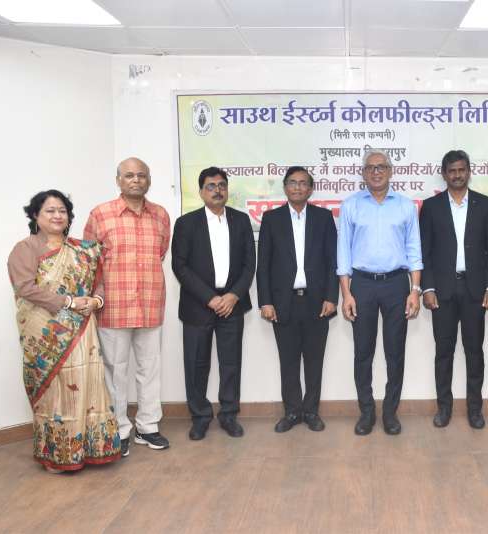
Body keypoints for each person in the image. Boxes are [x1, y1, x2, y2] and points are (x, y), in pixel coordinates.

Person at [8, 190, 120, 472]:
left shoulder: (84, 250)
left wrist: (96, 301)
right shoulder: (26, 248)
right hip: (45, 335)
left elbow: (99, 282)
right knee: (56, 393)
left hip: (83, 331)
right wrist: (68, 302)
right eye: (50, 210)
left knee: (88, 385)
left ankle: (91, 449)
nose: (57, 216)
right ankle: (58, 455)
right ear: (36, 215)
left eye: (62, 211)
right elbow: (25, 287)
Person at [84, 157, 171, 456]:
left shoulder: (161, 215)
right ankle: (119, 430)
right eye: (129, 175)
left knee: (150, 369)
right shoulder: (100, 214)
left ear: (149, 180)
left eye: (141, 175)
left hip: (150, 304)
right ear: (118, 180)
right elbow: (89, 262)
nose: (136, 180)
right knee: (115, 372)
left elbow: (161, 252)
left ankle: (148, 426)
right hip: (113, 306)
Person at [338, 149, 423, 436]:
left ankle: (389, 413)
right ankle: (366, 413)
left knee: (395, 352)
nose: (376, 172)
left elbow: (414, 250)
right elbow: (343, 254)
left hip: (397, 284)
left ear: (390, 171)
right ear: (363, 173)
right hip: (361, 285)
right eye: (370, 167)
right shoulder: (351, 205)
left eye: (381, 167)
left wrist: (415, 290)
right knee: (363, 352)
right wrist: (346, 294)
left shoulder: (405, 206)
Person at [171, 167, 256, 440]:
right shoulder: (186, 223)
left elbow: (249, 264)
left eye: (222, 185)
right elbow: (180, 266)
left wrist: (233, 295)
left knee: (231, 363)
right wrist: (210, 298)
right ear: (201, 192)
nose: (217, 190)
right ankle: (200, 417)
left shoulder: (241, 221)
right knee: (196, 364)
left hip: (232, 303)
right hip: (198, 304)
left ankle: (229, 414)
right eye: (211, 186)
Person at [419, 150, 488, 429]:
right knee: (444, 352)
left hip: (475, 289)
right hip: (442, 290)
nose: (457, 175)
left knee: (474, 352)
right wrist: (427, 288)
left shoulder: (485, 204)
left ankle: (475, 410)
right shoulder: (431, 207)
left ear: (468, 172)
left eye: (461, 170)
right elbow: (425, 252)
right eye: (451, 170)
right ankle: (444, 408)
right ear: (444, 174)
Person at [257, 166, 338, 433]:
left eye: (303, 183)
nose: (298, 187)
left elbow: (332, 261)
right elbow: (263, 264)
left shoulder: (324, 218)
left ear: (311, 189)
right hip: (283, 302)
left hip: (317, 302)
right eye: (292, 182)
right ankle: (292, 412)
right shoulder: (272, 219)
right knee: (288, 361)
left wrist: (331, 297)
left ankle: (311, 411)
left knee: (315, 361)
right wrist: (265, 301)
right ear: (285, 187)